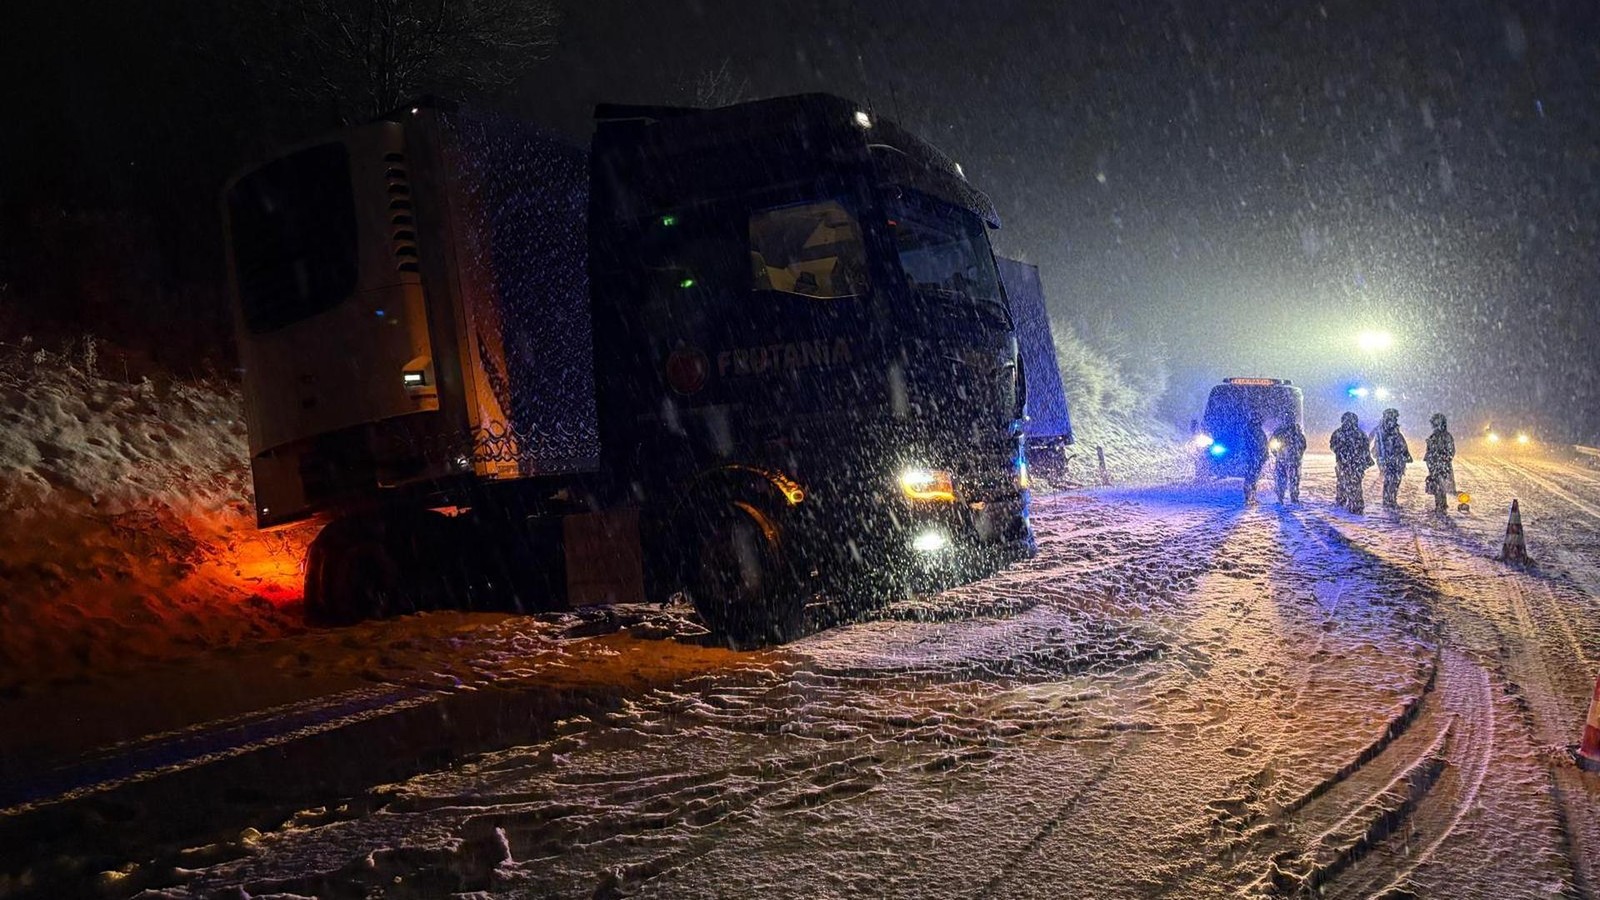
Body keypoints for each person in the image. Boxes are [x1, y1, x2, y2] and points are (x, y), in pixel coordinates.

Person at [1330, 412, 1373, 513]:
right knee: (1356, 485)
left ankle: (1342, 502)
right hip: (1356, 464)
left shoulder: (1338, 433)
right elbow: (1365, 449)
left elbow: (1332, 446)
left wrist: (1341, 453)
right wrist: (1364, 460)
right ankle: (1356, 506)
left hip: (1344, 463)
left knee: (1342, 483)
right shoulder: (1360, 434)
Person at [1372, 408, 1413, 509]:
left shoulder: (1384, 428)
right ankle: (1390, 501)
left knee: (1392, 481)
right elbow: (1391, 443)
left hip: (1394, 459)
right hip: (1392, 459)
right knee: (1392, 481)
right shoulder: (1386, 428)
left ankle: (1390, 501)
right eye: (1394, 416)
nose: (1395, 419)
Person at [1424, 413, 1456, 515]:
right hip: (1435, 465)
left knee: (1440, 485)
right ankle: (1440, 505)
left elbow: (1451, 452)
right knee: (1437, 485)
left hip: (1441, 465)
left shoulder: (1446, 436)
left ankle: (1441, 505)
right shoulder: (1434, 436)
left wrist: (1442, 458)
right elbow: (1429, 451)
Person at [1270, 419, 1307, 504]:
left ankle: (1282, 498)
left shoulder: (1280, 431)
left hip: (1285, 459)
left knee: (1284, 479)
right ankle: (1290, 498)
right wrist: (1298, 454)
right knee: (1292, 479)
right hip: (1291, 459)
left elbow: (1303, 445)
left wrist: (1277, 454)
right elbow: (1303, 445)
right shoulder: (1295, 432)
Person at [1239, 416, 1270, 505]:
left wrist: (1264, 455)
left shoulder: (1253, 431)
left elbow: (1263, 445)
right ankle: (1249, 498)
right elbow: (1261, 445)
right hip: (1254, 458)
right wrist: (1262, 456)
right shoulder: (1253, 432)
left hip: (1255, 458)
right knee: (1251, 479)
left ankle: (1251, 498)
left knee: (1252, 479)